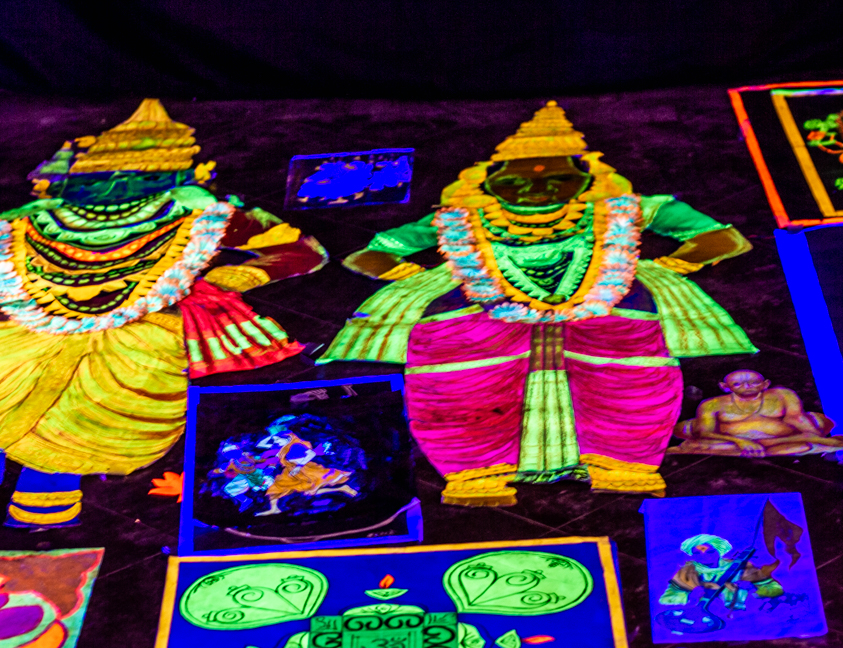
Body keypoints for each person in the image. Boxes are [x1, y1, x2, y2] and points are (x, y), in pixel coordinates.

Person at [0, 100, 328, 533]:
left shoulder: (205, 215)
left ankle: (49, 483)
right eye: (106, 174)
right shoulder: (13, 224)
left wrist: (234, 279)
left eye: (139, 174)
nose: (118, 184)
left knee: (123, 369)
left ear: (173, 175)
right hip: (16, 329)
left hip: (138, 333)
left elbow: (298, 251)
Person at [322, 102, 756, 505]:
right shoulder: (462, 217)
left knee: (624, 382)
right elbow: (374, 252)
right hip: (477, 306)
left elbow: (721, 238)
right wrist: (419, 277)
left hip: (610, 304)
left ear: (587, 178)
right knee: (463, 385)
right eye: (516, 181)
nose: (537, 190)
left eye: (557, 179)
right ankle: (475, 473)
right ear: (488, 181)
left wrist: (671, 265)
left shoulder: (625, 209)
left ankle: (621, 465)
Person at [670, 370, 843, 457]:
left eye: (753, 382)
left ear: (765, 384)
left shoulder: (782, 394)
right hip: (730, 441)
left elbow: (796, 417)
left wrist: (814, 435)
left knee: (806, 441)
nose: (747, 387)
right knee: (700, 445)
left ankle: (776, 445)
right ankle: (773, 446)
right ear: (725, 387)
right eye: (738, 384)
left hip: (783, 437)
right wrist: (740, 441)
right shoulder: (712, 404)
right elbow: (705, 433)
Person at [659, 535, 783, 611]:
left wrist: (753, 588)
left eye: (710, 552)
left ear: (719, 552)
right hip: (703, 619)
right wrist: (689, 596)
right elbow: (666, 599)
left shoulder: (741, 566)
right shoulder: (687, 571)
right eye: (697, 553)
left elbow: (776, 589)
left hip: (742, 617)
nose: (704, 556)